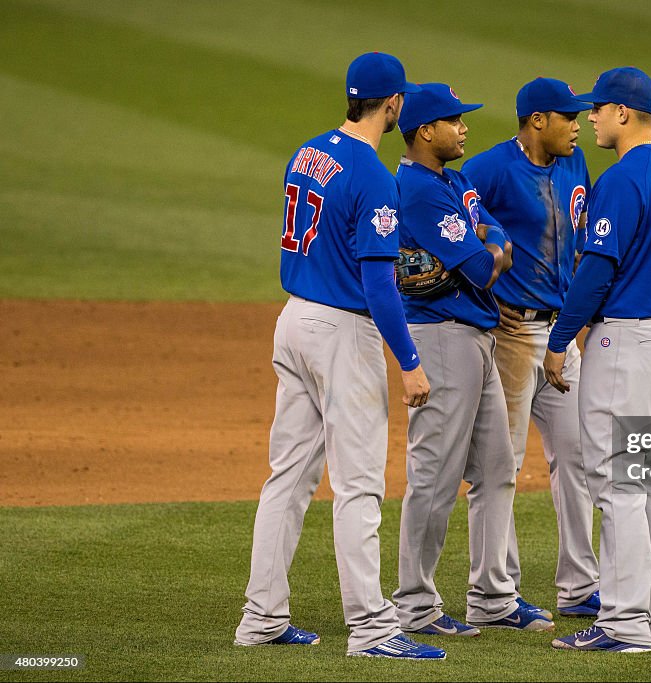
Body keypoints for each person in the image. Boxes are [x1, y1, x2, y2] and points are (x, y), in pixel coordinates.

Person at [234, 52, 445, 661]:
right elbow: (379, 284)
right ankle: (374, 629)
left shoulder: (308, 152)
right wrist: (408, 361)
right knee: (359, 486)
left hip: (293, 322)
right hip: (340, 334)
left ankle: (262, 616)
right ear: (394, 104)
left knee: (288, 478)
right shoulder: (374, 176)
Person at [543, 66, 651, 653]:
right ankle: (647, 616)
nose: (590, 117)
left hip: (625, 344)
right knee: (643, 483)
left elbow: (597, 269)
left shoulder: (622, 178)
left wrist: (560, 341)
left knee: (617, 486)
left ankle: (624, 623)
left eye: (599, 109)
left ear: (624, 114)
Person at [391, 83, 556, 637]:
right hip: (441, 337)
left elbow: (495, 236)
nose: (464, 128)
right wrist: (488, 249)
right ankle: (414, 605)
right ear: (424, 132)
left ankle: (492, 596)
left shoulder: (454, 181)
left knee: (495, 469)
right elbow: (486, 268)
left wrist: (488, 243)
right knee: (434, 476)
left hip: (479, 336)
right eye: (454, 121)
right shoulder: (417, 190)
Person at [460, 77, 601, 619]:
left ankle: (579, 588)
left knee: (579, 456)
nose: (577, 125)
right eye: (568, 117)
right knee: (501, 463)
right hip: (511, 335)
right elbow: (460, 236)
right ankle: (492, 593)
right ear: (537, 119)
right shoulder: (489, 169)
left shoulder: (573, 166)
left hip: (561, 337)